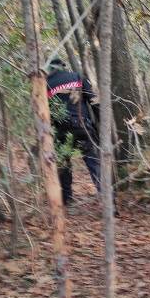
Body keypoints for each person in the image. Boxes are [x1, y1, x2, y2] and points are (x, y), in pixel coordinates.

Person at [46, 58, 101, 205]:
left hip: (61, 131)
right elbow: (94, 102)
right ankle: (108, 199)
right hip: (82, 127)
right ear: (63, 67)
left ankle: (66, 199)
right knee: (93, 162)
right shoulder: (77, 77)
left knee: (64, 165)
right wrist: (101, 123)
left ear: (50, 69)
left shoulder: (46, 85)